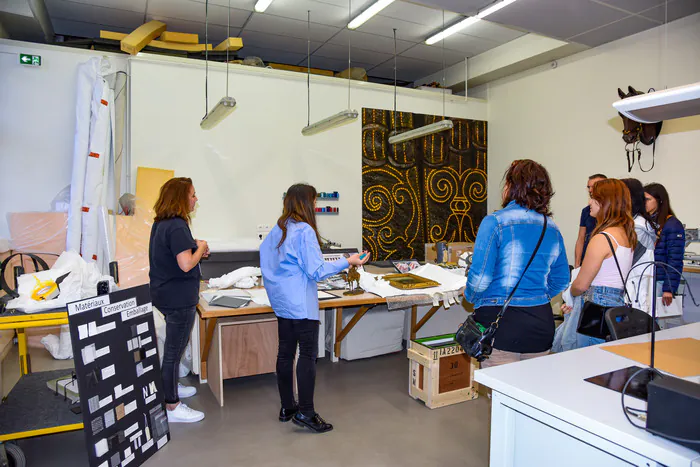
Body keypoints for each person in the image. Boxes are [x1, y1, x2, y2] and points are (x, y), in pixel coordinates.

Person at [260, 183, 369, 433]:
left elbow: (268, 267)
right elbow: (316, 270)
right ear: (306, 203)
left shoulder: (277, 231)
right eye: (315, 202)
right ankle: (306, 413)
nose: (316, 207)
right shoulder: (304, 231)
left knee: (285, 353)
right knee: (307, 355)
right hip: (300, 303)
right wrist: (348, 261)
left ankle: (288, 406)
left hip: (282, 302)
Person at [464, 160, 570, 368]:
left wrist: (471, 297)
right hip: (540, 323)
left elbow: (479, 281)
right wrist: (536, 295)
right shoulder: (552, 228)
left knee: (501, 396)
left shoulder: (494, 223)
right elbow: (561, 279)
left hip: (500, 324)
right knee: (530, 395)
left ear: (511, 187)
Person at [149, 177, 208, 423]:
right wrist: (201, 246)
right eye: (193, 195)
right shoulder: (177, 225)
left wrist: (195, 248)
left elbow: (176, 255)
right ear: (181, 197)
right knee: (174, 351)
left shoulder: (162, 223)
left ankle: (170, 387)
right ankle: (172, 406)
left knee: (174, 349)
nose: (196, 199)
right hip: (178, 297)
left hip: (164, 293)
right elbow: (185, 264)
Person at [563, 179, 636, 348]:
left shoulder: (602, 238)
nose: (589, 203)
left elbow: (581, 285)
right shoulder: (627, 235)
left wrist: (571, 291)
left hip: (596, 308)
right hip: (616, 306)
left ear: (605, 203)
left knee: (588, 363)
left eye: (594, 199)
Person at [644, 183, 685, 309]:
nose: (644, 203)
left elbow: (675, 259)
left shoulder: (672, 224)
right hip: (646, 278)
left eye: (648, 199)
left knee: (653, 320)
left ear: (660, 201)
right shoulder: (646, 221)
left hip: (660, 281)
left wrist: (669, 288)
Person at [620, 178, 657, 312]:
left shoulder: (637, 227)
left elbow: (623, 261)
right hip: (634, 287)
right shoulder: (635, 223)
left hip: (635, 289)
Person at [575, 174, 607, 268]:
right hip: (586, 260)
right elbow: (581, 238)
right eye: (589, 187)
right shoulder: (586, 211)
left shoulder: (613, 212)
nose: (590, 190)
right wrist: (577, 263)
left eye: (594, 186)